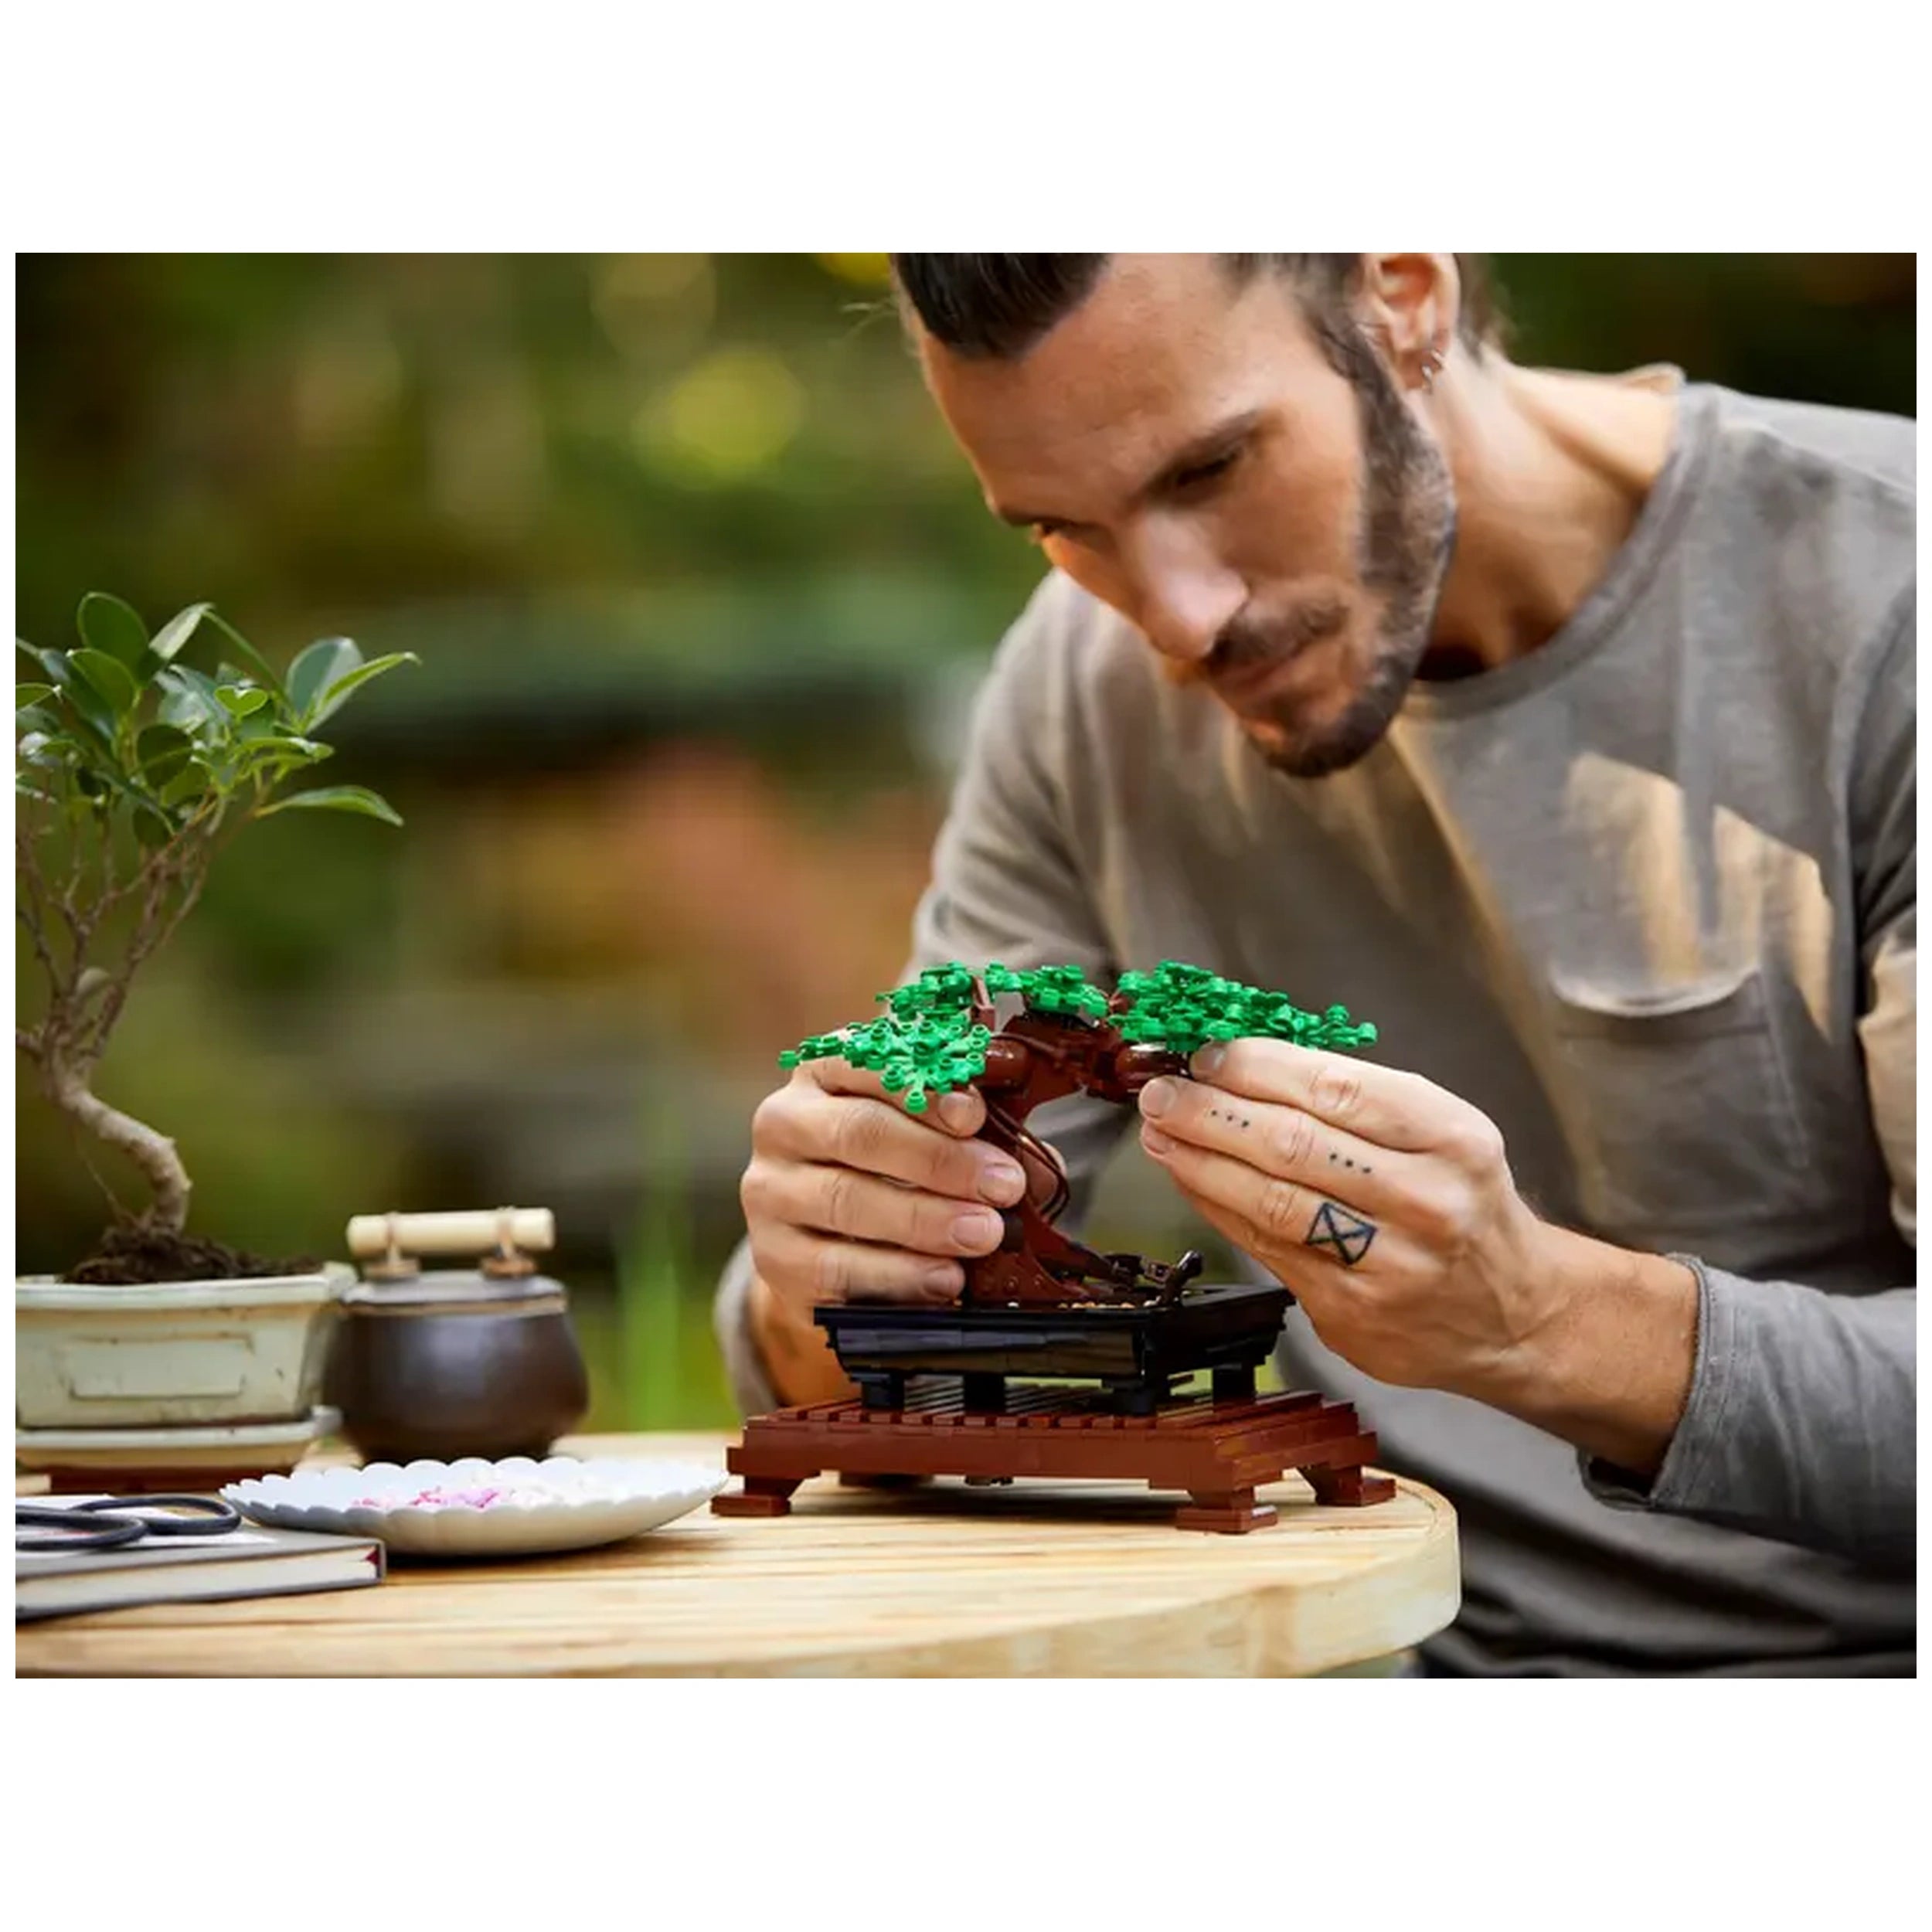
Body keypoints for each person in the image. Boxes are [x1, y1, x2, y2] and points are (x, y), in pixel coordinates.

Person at [713, 253, 1915, 1675]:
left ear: (1405, 298)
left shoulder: (1881, 603)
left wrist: (1541, 1320)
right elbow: (817, 1384)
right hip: (1340, 1661)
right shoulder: (1079, 692)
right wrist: (829, 1273)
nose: (1173, 619)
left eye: (1212, 468)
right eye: (1061, 526)